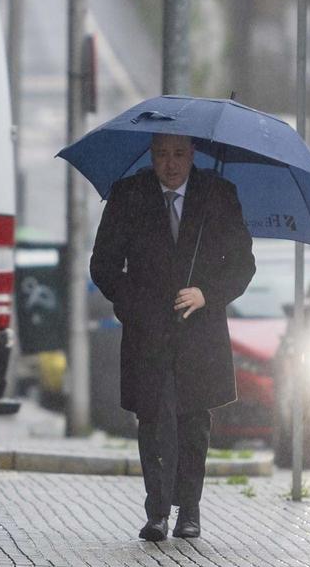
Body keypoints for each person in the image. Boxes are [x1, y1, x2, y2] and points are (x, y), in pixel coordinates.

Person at [90, 133, 255, 541]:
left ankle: (189, 510)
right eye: (163, 154)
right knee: (153, 417)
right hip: (147, 331)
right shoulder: (128, 195)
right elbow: (104, 265)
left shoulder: (218, 194)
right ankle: (157, 511)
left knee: (194, 419)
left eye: (179, 154)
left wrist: (206, 293)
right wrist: (134, 303)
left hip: (199, 331)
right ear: (151, 155)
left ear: (192, 154)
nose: (171, 163)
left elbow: (242, 265)